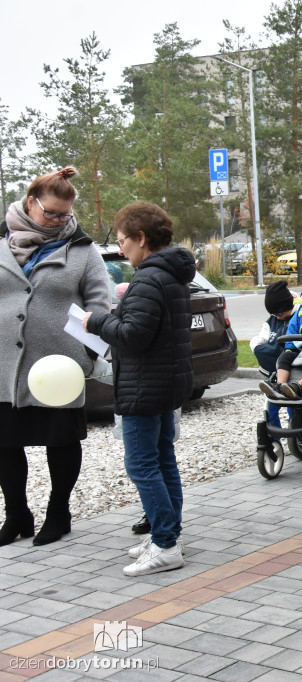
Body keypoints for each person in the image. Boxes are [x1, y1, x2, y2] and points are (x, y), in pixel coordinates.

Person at [0, 167, 109, 547]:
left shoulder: (82, 249)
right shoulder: (1, 241)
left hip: (59, 367)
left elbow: (100, 302)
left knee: (60, 441)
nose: (60, 221)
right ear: (31, 202)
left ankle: (58, 512)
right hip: (3, 366)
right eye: (52, 213)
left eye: (65, 215)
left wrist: (84, 354)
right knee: (4, 442)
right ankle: (16, 514)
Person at [84, 202, 194, 576]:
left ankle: (165, 543)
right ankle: (168, 535)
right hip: (163, 382)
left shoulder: (149, 278)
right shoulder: (171, 275)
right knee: (162, 459)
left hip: (145, 386)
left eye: (122, 242)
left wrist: (96, 322)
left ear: (141, 238)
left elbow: (134, 335)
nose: (121, 250)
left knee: (142, 463)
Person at [250, 280, 296, 430]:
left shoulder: (297, 317)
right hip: (273, 371)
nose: (277, 317)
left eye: (280, 313)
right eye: (273, 314)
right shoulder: (272, 322)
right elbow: (261, 339)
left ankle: (295, 430)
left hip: (293, 369)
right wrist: (257, 346)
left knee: (293, 404)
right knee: (271, 404)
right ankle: (275, 433)